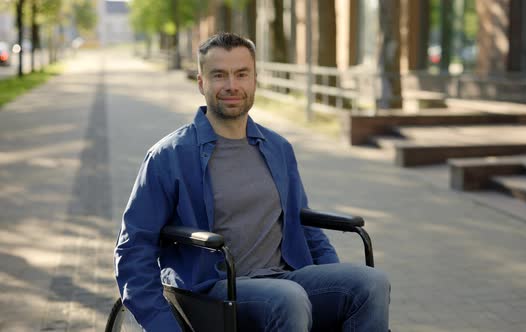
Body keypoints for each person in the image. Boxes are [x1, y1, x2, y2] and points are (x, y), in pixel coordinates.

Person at [114, 32, 390, 332]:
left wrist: (335, 282)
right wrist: (164, 327)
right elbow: (133, 252)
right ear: (201, 83)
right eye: (219, 75)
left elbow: (306, 229)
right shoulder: (169, 156)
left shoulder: (278, 147)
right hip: (212, 289)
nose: (232, 85)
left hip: (286, 279)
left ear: (255, 79)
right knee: (289, 298)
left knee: (371, 283)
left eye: (241, 74)